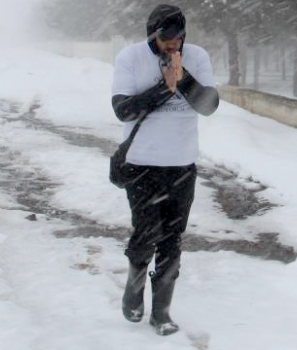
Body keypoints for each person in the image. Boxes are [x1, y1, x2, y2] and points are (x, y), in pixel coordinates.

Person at [110, 4, 219, 336]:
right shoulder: (130, 58)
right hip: (142, 165)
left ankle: (162, 312)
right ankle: (134, 286)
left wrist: (182, 79)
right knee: (145, 235)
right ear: (152, 35)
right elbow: (123, 110)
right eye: (166, 39)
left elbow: (209, 105)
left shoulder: (196, 58)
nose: (173, 46)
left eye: (179, 39)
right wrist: (163, 88)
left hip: (181, 165)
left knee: (172, 239)